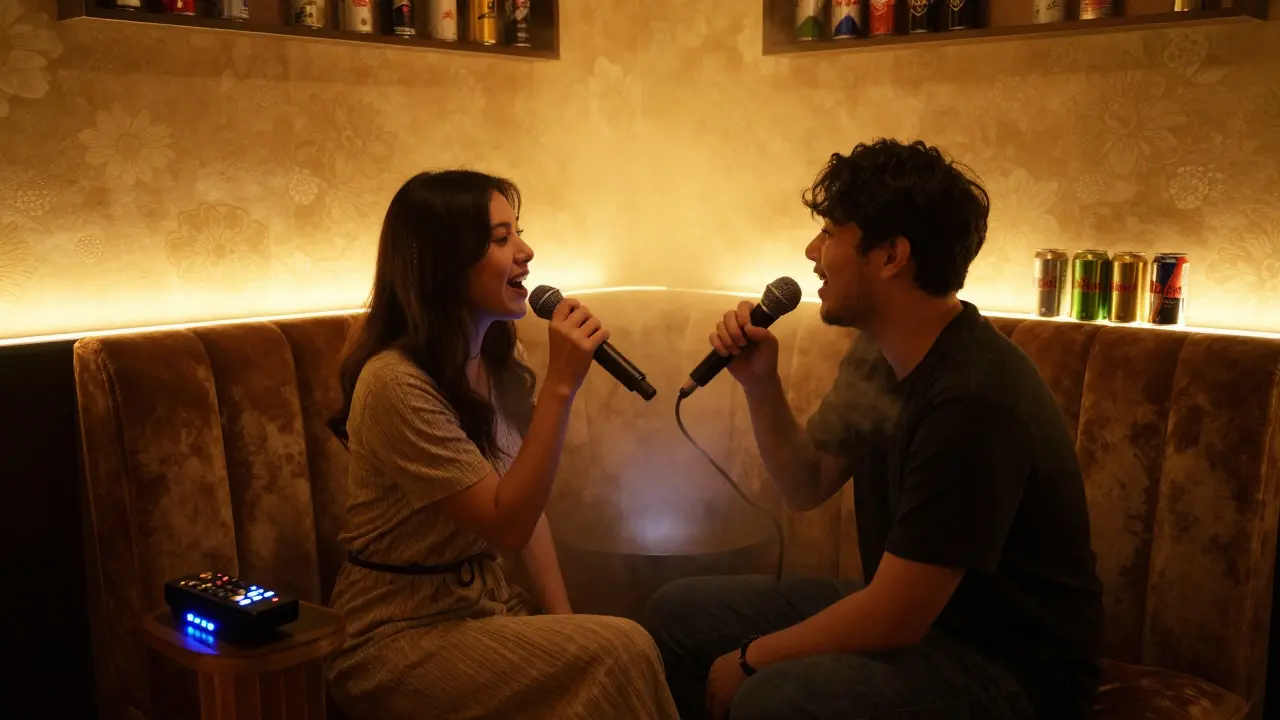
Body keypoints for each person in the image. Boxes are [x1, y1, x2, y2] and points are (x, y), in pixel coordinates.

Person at [641, 139, 1104, 720]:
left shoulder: (974, 398)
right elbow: (806, 483)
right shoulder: (878, 356)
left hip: (1011, 664)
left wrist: (753, 658)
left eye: (831, 231)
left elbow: (895, 616)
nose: (812, 252)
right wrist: (761, 385)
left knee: (775, 697)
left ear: (891, 257)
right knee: (676, 614)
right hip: (922, 622)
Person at [325, 169, 679, 720]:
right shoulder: (394, 382)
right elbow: (506, 522)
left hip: (483, 612)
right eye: (500, 239)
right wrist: (562, 386)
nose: (526, 252)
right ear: (442, 261)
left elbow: (527, 509)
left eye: (518, 233)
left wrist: (564, 626)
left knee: (608, 644)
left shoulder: (489, 360)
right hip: (393, 635)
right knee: (623, 647)